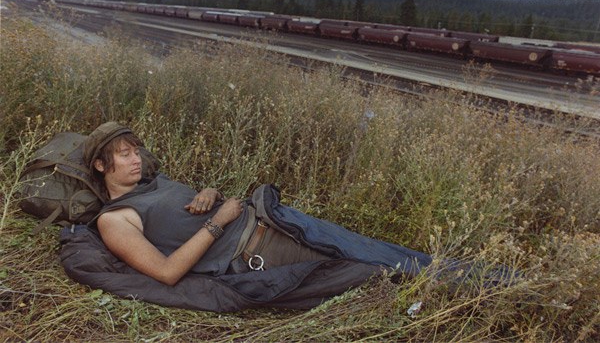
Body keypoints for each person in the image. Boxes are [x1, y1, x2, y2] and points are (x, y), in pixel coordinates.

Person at [62, 121, 508, 311]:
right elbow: (166, 272)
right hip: (258, 250)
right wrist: (220, 220)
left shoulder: (152, 183)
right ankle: (498, 291)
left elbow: (189, 206)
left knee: (384, 252)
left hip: (274, 219)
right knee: (382, 269)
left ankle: (501, 281)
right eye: (124, 155)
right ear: (101, 165)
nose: (136, 160)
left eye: (136, 151)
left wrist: (211, 193)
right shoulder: (115, 219)